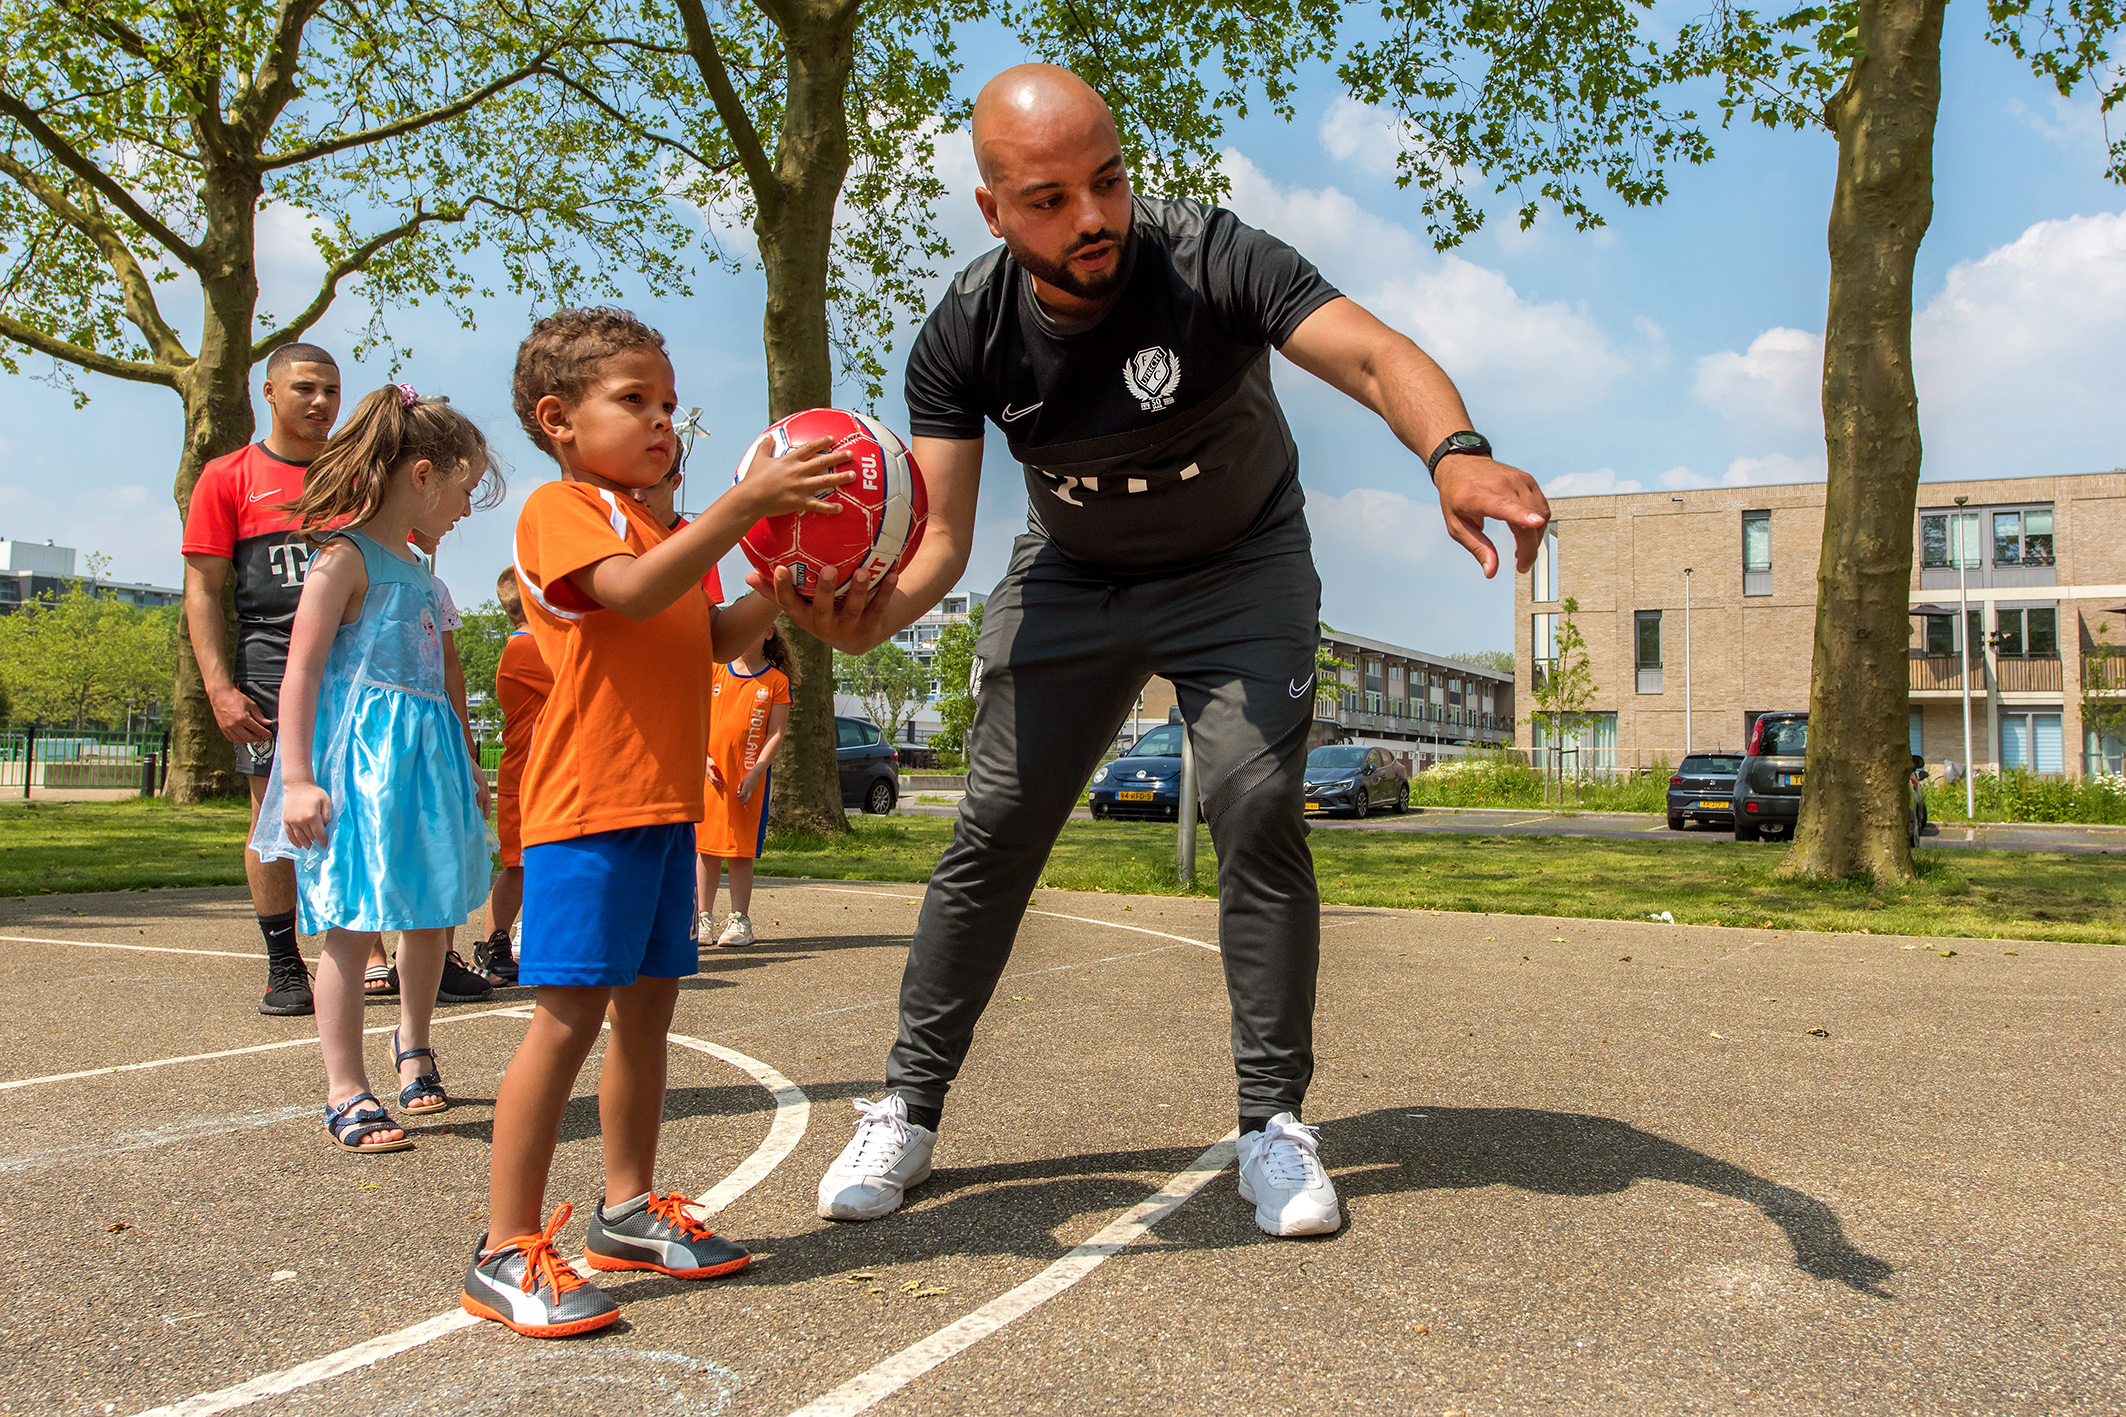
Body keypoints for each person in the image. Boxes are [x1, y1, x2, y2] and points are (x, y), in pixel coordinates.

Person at [766, 66, 1552, 1239]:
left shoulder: (1208, 258)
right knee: (992, 829)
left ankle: (1272, 1127)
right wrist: (870, 618)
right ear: (992, 212)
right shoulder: (963, 333)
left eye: (1108, 181)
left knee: (1253, 802)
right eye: (1048, 199)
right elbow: (936, 542)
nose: (1091, 217)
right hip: (1073, 575)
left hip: (1240, 567)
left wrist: (1454, 452)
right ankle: (906, 1105)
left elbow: (1377, 354)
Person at [462, 307, 851, 1339]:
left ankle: (626, 1211)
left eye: (670, 404)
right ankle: (503, 1247)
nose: (662, 421)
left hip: (663, 810)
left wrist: (774, 586)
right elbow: (629, 598)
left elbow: (710, 636)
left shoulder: (670, 531)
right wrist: (743, 504)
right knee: (565, 1020)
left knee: (646, 1013)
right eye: (634, 400)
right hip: (587, 809)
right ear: (557, 418)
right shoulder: (561, 510)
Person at [250, 383, 503, 1153]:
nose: (465, 511)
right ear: (421, 476)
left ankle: (414, 1042)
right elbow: (299, 672)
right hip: (362, 770)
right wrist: (296, 777)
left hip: (426, 769)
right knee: (353, 926)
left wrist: (465, 752)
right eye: (462, 490)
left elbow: (439, 680)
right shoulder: (343, 559)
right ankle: (345, 1087)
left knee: (431, 913)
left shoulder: (425, 574)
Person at [180, 343, 341, 1015]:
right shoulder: (227, 476)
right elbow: (201, 590)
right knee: (270, 813)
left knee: (363, 808)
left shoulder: (356, 475)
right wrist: (219, 688)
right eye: (305, 388)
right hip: (268, 670)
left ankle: (395, 954)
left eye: (331, 390)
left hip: (351, 664)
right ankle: (285, 963)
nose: (320, 402)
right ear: (268, 393)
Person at [362, 544, 496, 1005]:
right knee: (378, 837)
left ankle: (442, 956)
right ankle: (372, 953)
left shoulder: (433, 586)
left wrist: (463, 743)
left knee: (443, 839)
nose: (462, 513)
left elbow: (451, 664)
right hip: (377, 730)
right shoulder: (356, 565)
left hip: (433, 726)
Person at [695, 622, 795, 947]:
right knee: (706, 849)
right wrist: (703, 758)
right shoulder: (713, 670)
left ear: (767, 633)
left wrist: (756, 772)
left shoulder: (776, 681)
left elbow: (775, 733)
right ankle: (702, 918)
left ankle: (740, 920)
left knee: (740, 851)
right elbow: (696, 717)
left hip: (748, 781)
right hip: (712, 778)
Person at [478, 566, 551, 983]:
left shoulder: (531, 646)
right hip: (526, 777)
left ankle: (502, 940)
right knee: (520, 864)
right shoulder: (528, 648)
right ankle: (493, 941)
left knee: (531, 862)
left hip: (538, 776)